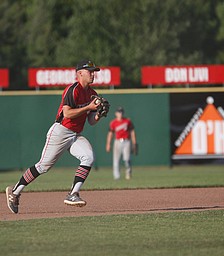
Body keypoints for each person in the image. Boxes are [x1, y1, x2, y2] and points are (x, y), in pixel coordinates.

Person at [6, 59, 109, 214]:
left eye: (94, 71)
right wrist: (88, 107)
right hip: (61, 131)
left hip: (75, 134)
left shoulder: (93, 94)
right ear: (80, 73)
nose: (93, 74)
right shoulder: (73, 90)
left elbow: (91, 121)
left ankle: (73, 194)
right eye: (90, 71)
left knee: (88, 156)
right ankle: (14, 192)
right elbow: (67, 113)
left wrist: (99, 115)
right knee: (43, 166)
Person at [106, 107, 137, 180]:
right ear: (116, 113)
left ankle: (128, 173)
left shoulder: (127, 121)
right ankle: (117, 177)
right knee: (116, 160)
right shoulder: (113, 122)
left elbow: (132, 132)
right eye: (119, 112)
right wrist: (108, 144)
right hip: (117, 142)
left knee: (127, 159)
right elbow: (110, 134)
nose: (120, 113)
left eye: (121, 112)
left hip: (127, 141)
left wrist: (134, 142)